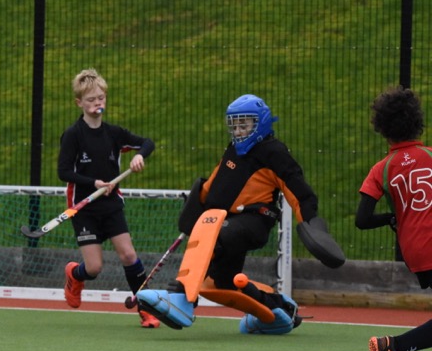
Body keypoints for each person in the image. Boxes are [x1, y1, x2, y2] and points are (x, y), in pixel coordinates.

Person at [138, 94, 330, 334]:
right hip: (227, 221)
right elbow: (217, 181)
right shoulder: (234, 149)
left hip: (255, 221)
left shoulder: (274, 152)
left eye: (244, 125)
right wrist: (198, 203)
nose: (238, 131)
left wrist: (311, 224)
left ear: (260, 123)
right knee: (224, 282)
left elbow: (298, 190)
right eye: (234, 126)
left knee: (216, 236)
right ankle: (279, 311)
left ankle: (182, 299)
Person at [57, 68, 160, 328]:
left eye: (101, 98)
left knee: (128, 255)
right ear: (79, 102)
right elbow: (64, 172)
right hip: (84, 208)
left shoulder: (114, 133)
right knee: (94, 268)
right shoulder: (73, 135)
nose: (97, 103)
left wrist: (139, 156)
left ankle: (146, 309)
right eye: (91, 99)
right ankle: (74, 274)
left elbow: (147, 143)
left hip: (111, 205)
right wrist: (94, 183)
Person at [356, 85, 432, 351]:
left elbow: (362, 220)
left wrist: (392, 218)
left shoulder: (381, 169)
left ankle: (394, 348)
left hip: (415, 251)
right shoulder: (430, 156)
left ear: (383, 130)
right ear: (417, 122)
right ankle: (394, 346)